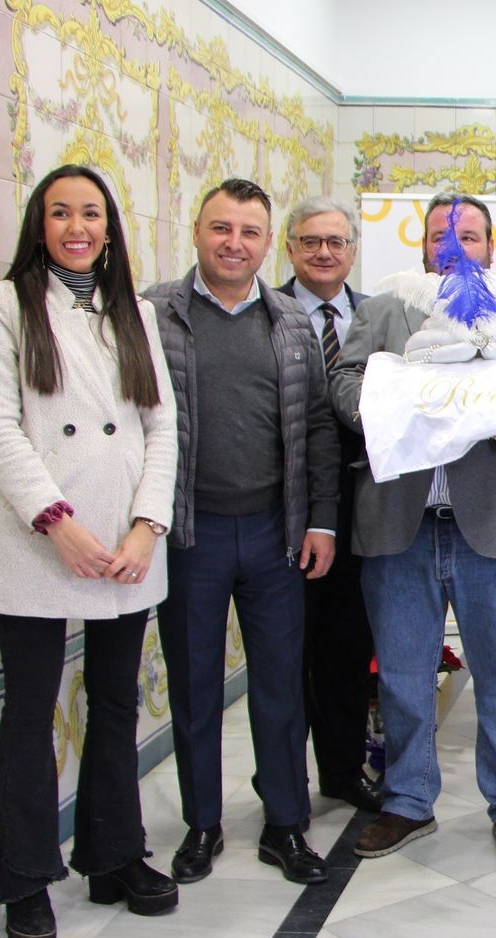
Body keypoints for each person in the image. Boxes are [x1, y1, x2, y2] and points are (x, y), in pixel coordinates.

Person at [0, 164, 179, 938]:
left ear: (110, 227)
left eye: (90, 213)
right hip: (40, 542)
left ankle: (113, 854)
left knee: (117, 706)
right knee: (31, 713)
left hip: (126, 544)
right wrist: (57, 521)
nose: (77, 227)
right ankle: (25, 881)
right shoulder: (9, 303)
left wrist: (144, 527)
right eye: (61, 214)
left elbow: (160, 428)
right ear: (40, 224)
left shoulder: (135, 311)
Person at [331, 194, 496, 865]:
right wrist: (394, 411)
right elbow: (344, 383)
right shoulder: (383, 310)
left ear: (493, 247)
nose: (456, 247)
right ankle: (408, 799)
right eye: (444, 236)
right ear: (424, 246)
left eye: (469, 235)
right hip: (399, 523)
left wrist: (488, 425)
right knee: (405, 674)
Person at [147, 178, 340, 886]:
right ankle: (202, 824)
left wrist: (320, 520)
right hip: (189, 534)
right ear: (197, 231)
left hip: (275, 534)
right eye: (221, 228)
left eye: (249, 232)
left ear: (268, 244)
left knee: (281, 685)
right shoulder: (154, 313)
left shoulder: (290, 320)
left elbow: (318, 425)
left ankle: (286, 823)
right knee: (195, 684)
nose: (235, 243)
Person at [277, 195, 381, 815]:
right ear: (290, 248)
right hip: (286, 509)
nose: (324, 252)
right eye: (311, 241)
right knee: (285, 654)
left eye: (336, 242)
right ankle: (282, 783)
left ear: (351, 251)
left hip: (362, 501)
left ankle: (343, 771)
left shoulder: (377, 316)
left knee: (346, 648)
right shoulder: (264, 312)